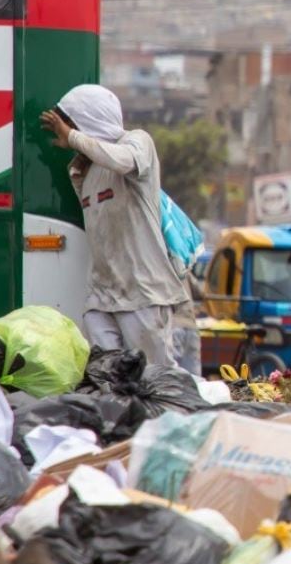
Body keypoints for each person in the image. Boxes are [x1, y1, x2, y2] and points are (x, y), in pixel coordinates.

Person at [40, 85, 187, 368]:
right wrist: (79, 153)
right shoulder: (85, 169)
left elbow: (121, 161)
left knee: (154, 378)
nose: (66, 132)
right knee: (107, 378)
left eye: (70, 123)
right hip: (102, 297)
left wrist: (73, 137)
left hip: (142, 294)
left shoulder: (137, 142)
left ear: (89, 120)